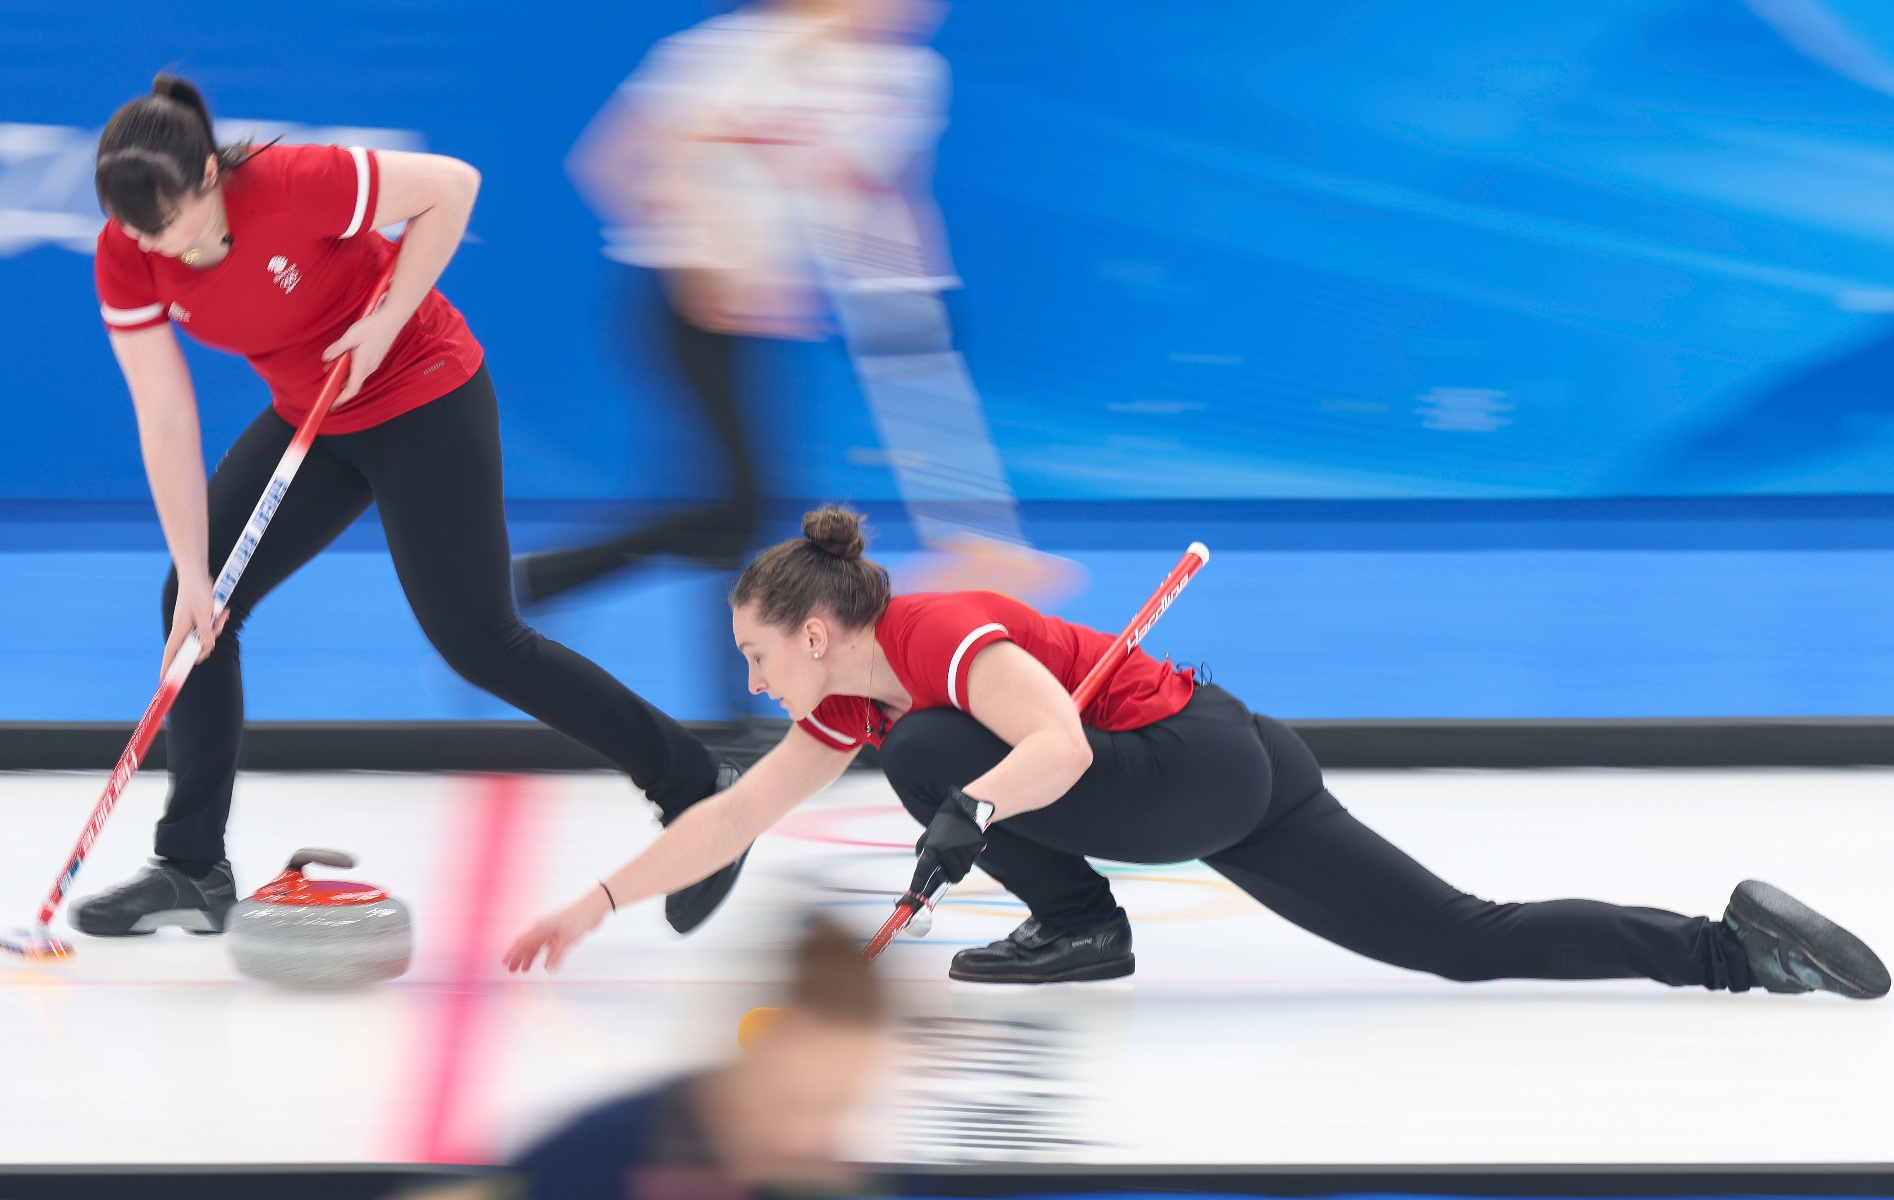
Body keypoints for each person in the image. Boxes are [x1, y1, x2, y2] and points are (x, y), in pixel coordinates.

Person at [505, 506, 1890, 1001]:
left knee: (938, 752)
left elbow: (1043, 745)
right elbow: (737, 811)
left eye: (755, 651)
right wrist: (594, 902)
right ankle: (1730, 948)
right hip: (1237, 767)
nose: (747, 676)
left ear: (814, 628)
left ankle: (1077, 930)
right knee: (1457, 940)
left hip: (1185, 768)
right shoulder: (850, 704)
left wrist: (965, 809)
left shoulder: (944, 637)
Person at [74, 75, 741, 939]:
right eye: (132, 228)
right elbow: (163, 415)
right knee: (194, 608)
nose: (150, 244)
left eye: (162, 222)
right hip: (312, 416)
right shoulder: (127, 253)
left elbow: (452, 187)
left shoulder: (290, 184)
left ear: (208, 177)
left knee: (480, 641)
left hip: (423, 389)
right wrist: (199, 570)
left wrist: (385, 321)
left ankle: (697, 789)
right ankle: (194, 868)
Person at [513, 0, 1079, 616]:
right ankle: (546, 580)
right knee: (745, 506)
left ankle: (574, 596)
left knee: (750, 509)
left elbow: (874, 193)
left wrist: (913, 294)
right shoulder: (733, 51)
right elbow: (612, 162)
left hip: (759, 313)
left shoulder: (904, 76)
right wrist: (707, 264)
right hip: (676, 298)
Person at [415, 917, 888, 1200]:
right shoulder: (592, 1159)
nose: (807, 1135)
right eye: (791, 1100)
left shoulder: (820, 1188)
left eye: (838, 1106)